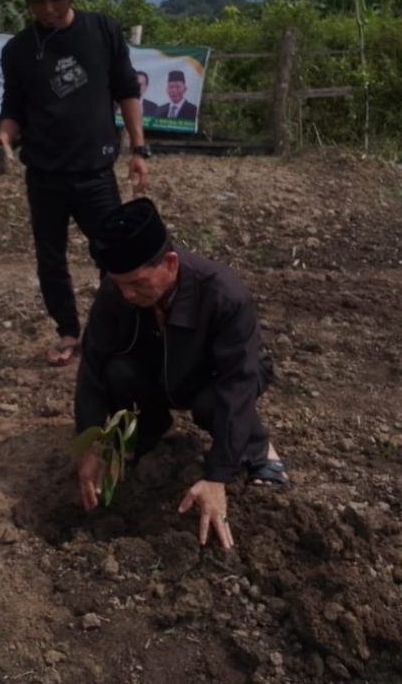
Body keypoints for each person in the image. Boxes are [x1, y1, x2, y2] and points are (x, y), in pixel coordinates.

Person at [74, 198, 287, 550]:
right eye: (120, 284)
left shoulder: (223, 295)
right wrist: (92, 443)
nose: (128, 294)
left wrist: (218, 476)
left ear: (170, 264)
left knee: (212, 403)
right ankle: (149, 433)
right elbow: (92, 368)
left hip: (215, 374)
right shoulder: (117, 293)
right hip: (161, 367)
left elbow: (238, 383)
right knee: (118, 371)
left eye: (138, 284)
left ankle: (258, 447)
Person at [0, 0, 151, 366]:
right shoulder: (18, 51)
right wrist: (3, 139)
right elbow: (13, 109)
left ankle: (111, 328)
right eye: (38, 0)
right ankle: (68, 331)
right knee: (51, 258)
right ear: (26, 2)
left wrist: (138, 149)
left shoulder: (102, 32)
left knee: (113, 253)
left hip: (95, 171)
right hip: (43, 174)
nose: (48, 7)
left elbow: (127, 90)